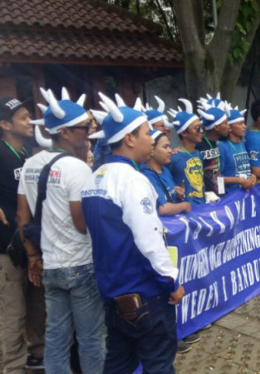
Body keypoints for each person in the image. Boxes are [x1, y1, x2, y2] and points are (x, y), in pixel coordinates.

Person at [83, 93, 184, 374]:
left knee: (116, 367)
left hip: (113, 298)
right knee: (159, 366)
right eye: (145, 133)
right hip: (146, 297)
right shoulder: (133, 181)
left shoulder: (94, 179)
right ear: (129, 138)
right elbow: (149, 240)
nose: (152, 138)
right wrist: (170, 281)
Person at [17, 88, 105, 374]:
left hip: (51, 265)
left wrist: (33, 257)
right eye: (84, 128)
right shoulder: (77, 169)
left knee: (55, 335)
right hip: (80, 263)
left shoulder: (29, 165)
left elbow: (23, 215)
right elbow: (82, 224)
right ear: (64, 132)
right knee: (90, 337)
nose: (89, 133)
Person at [0, 96, 46, 373]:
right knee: (14, 312)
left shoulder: (28, 152)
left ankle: (37, 354)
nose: (31, 121)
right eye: (24, 117)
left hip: (32, 243)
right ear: (5, 124)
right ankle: (13, 367)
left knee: (37, 306)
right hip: (6, 248)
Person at [141, 130, 191, 216]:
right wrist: (184, 205)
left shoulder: (165, 170)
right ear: (151, 150)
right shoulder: (148, 175)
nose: (170, 151)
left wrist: (179, 196)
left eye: (169, 147)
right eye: (165, 147)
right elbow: (163, 209)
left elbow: (170, 200)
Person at [167, 99, 205, 204]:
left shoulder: (198, 154)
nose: (201, 131)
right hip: (184, 214)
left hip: (202, 209)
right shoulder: (172, 157)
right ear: (184, 133)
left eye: (201, 127)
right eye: (197, 128)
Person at [218, 108, 257, 193]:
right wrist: (239, 180)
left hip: (245, 194)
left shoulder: (242, 143)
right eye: (240, 124)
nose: (244, 126)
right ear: (230, 128)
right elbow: (217, 178)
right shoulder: (222, 147)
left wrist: (253, 176)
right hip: (230, 196)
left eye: (244, 123)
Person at [196, 101, 229, 196]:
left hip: (219, 194)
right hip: (207, 198)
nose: (228, 127)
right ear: (216, 127)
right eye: (225, 123)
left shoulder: (215, 142)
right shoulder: (199, 145)